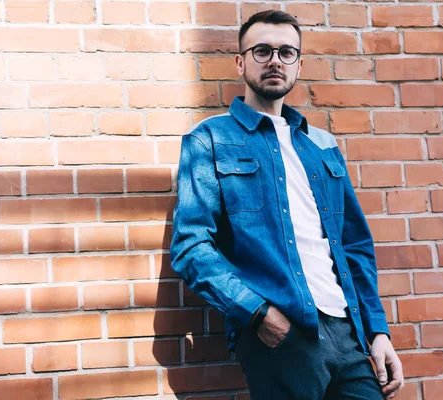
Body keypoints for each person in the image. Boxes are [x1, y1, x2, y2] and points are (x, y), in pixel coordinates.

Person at [170, 10, 404, 400]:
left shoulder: (322, 145)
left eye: (286, 52)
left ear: (298, 63)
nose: (275, 60)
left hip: (348, 334)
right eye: (262, 51)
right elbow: (191, 245)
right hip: (281, 336)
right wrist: (259, 314)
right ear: (241, 61)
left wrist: (377, 331)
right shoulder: (209, 140)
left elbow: (354, 247)